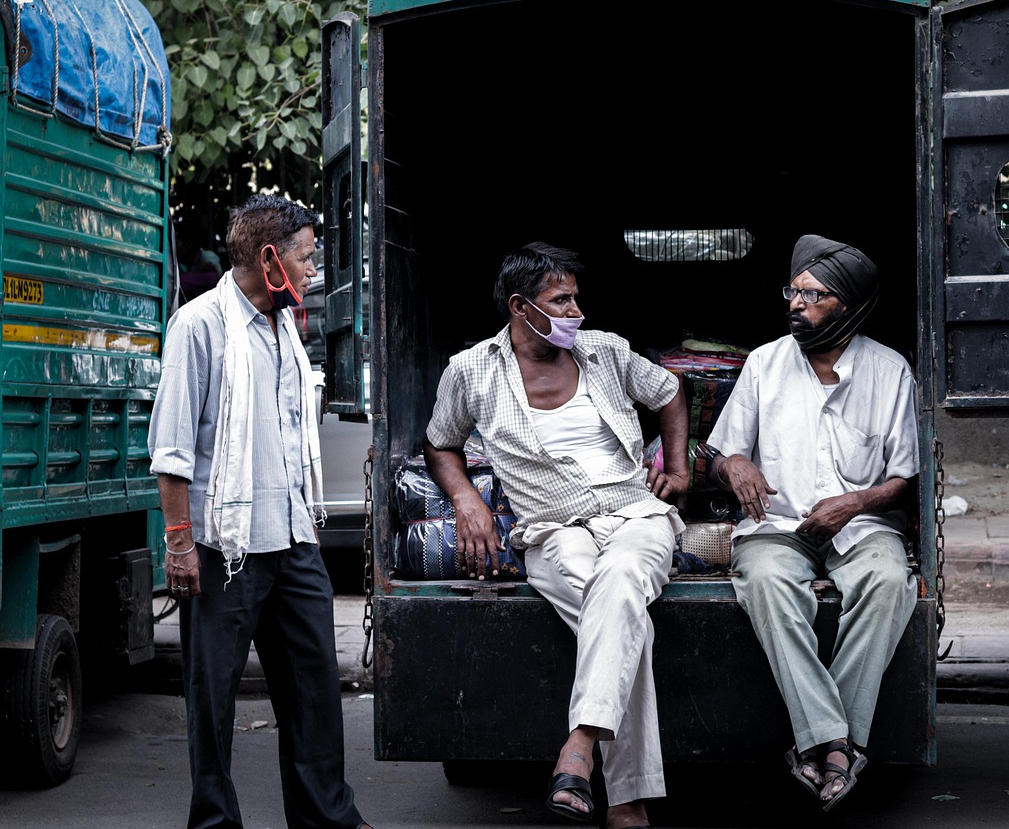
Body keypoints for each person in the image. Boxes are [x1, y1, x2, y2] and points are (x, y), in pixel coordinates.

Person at [424, 242, 689, 829]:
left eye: (576, 298)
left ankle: (579, 751)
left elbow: (668, 391)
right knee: (623, 617)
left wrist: (679, 466)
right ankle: (625, 798)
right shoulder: (471, 370)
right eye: (561, 301)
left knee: (619, 581)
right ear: (521, 307)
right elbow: (440, 441)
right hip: (550, 531)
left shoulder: (606, 352)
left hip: (634, 516)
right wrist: (468, 499)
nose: (576, 311)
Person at [148, 193, 373, 829]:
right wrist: (180, 542)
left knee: (314, 692)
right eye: (305, 258)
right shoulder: (199, 325)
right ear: (270, 258)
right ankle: (216, 822)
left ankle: (327, 819)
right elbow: (172, 450)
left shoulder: (284, 327)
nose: (313, 271)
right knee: (212, 701)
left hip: (294, 537)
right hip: (225, 548)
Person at [704, 234, 919, 813]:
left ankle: (823, 743)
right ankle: (837, 744)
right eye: (792, 292)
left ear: (848, 306)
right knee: (768, 583)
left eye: (812, 295)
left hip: (860, 527)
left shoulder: (890, 371)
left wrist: (854, 503)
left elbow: (903, 478)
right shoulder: (764, 363)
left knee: (890, 581)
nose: (795, 304)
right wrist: (737, 464)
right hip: (776, 525)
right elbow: (720, 456)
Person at [174, 215, 224, 299]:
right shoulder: (179, 263)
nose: (174, 247)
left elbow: (212, 278)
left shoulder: (208, 257)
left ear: (188, 244)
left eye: (177, 243)